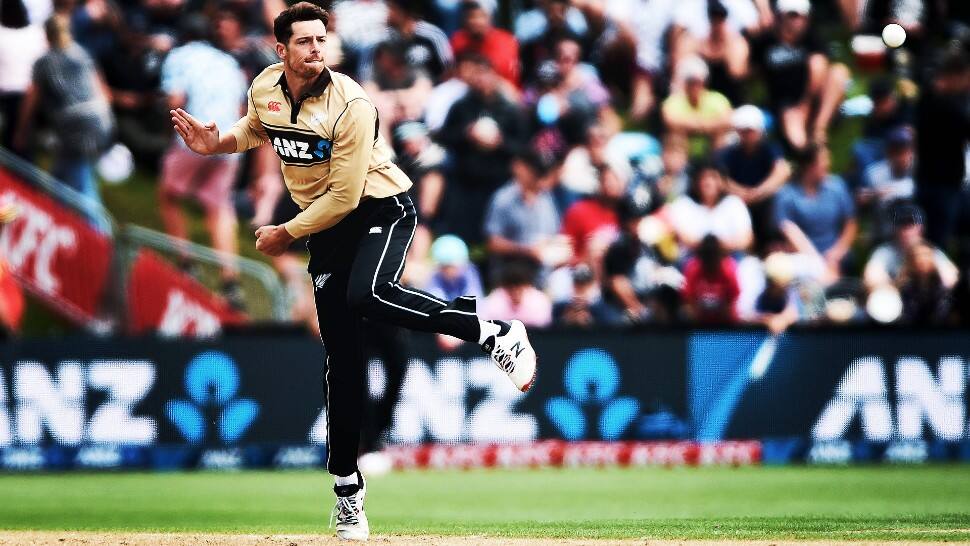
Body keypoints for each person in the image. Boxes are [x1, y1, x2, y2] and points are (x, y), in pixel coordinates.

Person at [169, 4, 537, 540]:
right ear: (281, 50)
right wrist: (217, 142)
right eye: (304, 41)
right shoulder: (265, 86)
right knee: (342, 364)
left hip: (379, 209)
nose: (316, 49)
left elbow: (343, 196)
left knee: (367, 294)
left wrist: (287, 232)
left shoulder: (351, 103)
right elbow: (257, 128)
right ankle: (347, 492)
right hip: (327, 229)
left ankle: (489, 330)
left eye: (322, 39)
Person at [158, 14, 248, 307]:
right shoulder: (228, 62)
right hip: (228, 139)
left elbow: (174, 100)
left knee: (169, 195)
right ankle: (231, 281)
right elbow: (241, 106)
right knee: (219, 208)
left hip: (195, 137)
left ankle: (186, 264)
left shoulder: (179, 56)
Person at [14, 13, 114, 205]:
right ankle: (52, 211)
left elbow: (31, 100)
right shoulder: (81, 53)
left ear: (46, 34)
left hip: (75, 126)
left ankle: (97, 230)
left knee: (81, 184)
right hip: (101, 119)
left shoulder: (44, 62)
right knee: (64, 173)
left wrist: (21, 129)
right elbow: (104, 92)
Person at [746, 0, 850, 150]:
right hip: (786, 102)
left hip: (813, 95)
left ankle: (819, 128)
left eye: (799, 17)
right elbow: (748, 71)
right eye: (791, 16)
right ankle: (807, 154)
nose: (794, 22)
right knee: (796, 134)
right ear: (780, 16)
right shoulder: (765, 41)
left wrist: (806, 101)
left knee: (839, 72)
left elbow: (819, 66)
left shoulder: (811, 38)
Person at [775, 145, 857, 277]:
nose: (828, 165)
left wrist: (836, 253)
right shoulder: (786, 195)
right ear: (809, 167)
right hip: (803, 256)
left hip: (836, 255)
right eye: (823, 163)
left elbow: (850, 223)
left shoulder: (837, 186)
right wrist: (818, 264)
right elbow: (790, 233)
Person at [717, 105, 791, 246]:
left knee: (781, 198)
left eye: (750, 130)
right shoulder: (727, 153)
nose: (748, 134)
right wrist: (740, 192)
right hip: (738, 200)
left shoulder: (770, 148)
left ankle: (774, 242)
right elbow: (721, 178)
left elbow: (782, 172)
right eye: (744, 131)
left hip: (764, 198)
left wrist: (759, 192)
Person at [667, 162, 753, 255]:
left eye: (713, 177)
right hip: (693, 259)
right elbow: (680, 235)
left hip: (729, 258)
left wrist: (719, 245)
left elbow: (746, 239)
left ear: (723, 182)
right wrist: (706, 246)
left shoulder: (734, 204)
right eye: (703, 178)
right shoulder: (683, 204)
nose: (708, 182)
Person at [661, 56, 733, 156]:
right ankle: (681, 169)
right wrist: (707, 124)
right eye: (691, 82)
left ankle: (718, 167)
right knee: (675, 137)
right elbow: (670, 121)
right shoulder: (674, 101)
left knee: (722, 136)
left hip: (711, 144)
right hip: (685, 146)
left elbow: (727, 121)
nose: (695, 86)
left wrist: (693, 124)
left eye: (698, 81)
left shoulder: (718, 99)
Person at [450, 0, 520, 88]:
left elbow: (510, 82)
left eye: (480, 16)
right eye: (471, 16)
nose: (475, 21)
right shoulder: (458, 40)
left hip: (498, 92)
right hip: (465, 90)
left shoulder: (507, 41)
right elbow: (451, 75)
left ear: (490, 17)